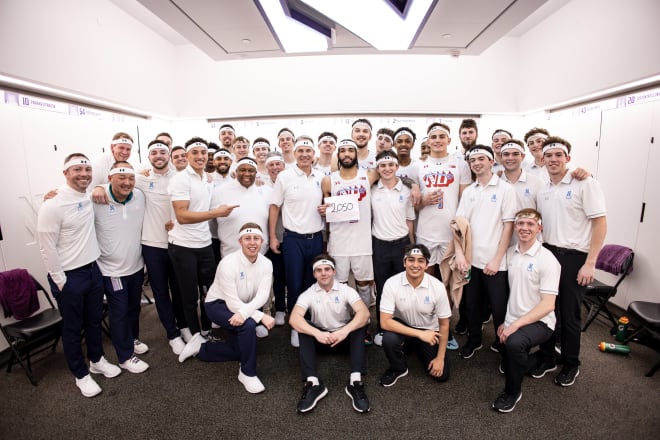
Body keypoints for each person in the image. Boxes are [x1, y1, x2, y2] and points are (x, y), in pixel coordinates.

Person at [37, 153, 121, 397]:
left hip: (93, 270)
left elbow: (117, 183)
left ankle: (96, 360)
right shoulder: (52, 204)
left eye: (87, 169)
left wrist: (100, 186)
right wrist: (60, 280)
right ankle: (80, 374)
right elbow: (46, 247)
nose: (83, 174)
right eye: (77, 170)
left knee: (94, 320)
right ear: (65, 173)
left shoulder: (88, 195)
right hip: (69, 277)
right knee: (73, 329)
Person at [534, 136, 607, 387]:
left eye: (559, 155)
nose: (553, 159)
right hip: (548, 254)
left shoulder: (585, 183)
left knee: (569, 314)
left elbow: (600, 223)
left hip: (575, 258)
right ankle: (547, 357)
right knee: (547, 310)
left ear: (568, 158)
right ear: (542, 160)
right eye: (549, 155)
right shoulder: (543, 189)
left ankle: (571, 363)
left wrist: (591, 262)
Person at [178, 224, 275, 394]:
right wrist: (260, 317)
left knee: (240, 350)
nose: (252, 243)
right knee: (248, 326)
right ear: (240, 241)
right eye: (247, 238)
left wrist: (246, 313)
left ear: (262, 241)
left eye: (256, 239)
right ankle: (247, 373)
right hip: (218, 305)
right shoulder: (228, 263)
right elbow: (231, 303)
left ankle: (201, 348)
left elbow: (262, 296)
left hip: (243, 305)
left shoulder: (267, 264)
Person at [169, 137, 238, 349]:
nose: (200, 157)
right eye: (195, 153)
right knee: (189, 296)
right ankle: (194, 335)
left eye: (203, 153)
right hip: (183, 246)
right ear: (187, 156)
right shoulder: (181, 179)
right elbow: (181, 216)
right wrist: (214, 213)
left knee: (210, 291)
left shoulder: (206, 179)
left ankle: (207, 331)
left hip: (204, 244)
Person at [492, 208, 559, 413]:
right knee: (506, 350)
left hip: (541, 321)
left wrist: (515, 326)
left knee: (513, 344)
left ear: (539, 229)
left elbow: (548, 305)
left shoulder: (547, 260)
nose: (524, 228)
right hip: (515, 317)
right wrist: (507, 321)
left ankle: (512, 392)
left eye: (530, 224)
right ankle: (542, 359)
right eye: (520, 223)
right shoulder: (510, 253)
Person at [454, 145, 517, 359]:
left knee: (499, 308)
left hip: (495, 263)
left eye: (482, 158)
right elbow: (458, 225)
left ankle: (503, 344)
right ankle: (474, 340)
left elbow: (508, 227)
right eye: (473, 160)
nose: (477, 163)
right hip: (472, 261)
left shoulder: (505, 190)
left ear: (492, 161)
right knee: (471, 306)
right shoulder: (469, 191)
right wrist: (460, 255)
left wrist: (497, 259)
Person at [290, 254, 371, 413]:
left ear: (334, 271)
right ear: (314, 274)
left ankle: (355, 382)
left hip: (343, 339)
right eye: (319, 270)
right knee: (302, 326)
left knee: (359, 324)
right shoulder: (308, 293)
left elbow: (364, 313)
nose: (323, 273)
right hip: (321, 339)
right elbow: (293, 319)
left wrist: (344, 331)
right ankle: (313, 383)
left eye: (327, 269)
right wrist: (317, 333)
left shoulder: (346, 290)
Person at [93, 162, 149, 373]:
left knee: (134, 308)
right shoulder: (96, 199)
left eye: (130, 178)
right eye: (121, 178)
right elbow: (73, 198)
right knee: (119, 312)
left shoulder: (139, 196)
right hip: (112, 271)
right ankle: (125, 357)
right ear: (110, 179)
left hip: (135, 266)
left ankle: (132, 339)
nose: (127, 183)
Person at [269, 135, 324, 347]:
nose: (304, 154)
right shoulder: (285, 176)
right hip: (293, 239)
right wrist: (273, 236)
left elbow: (327, 204)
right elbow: (274, 206)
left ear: (314, 155)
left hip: (316, 238)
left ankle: (309, 322)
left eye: (308, 151)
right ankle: (296, 327)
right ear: (295, 153)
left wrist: (325, 209)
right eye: (300, 151)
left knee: (313, 284)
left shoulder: (321, 177)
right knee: (293, 285)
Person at [136, 140, 187, 354]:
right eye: (154, 153)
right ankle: (172, 333)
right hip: (152, 244)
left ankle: (184, 326)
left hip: (177, 242)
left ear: (169, 156)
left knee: (180, 289)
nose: (158, 156)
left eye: (162, 152)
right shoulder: (140, 179)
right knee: (160, 291)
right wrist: (100, 187)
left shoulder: (180, 178)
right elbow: (111, 182)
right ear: (149, 158)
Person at [321, 139, 378, 321]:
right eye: (343, 151)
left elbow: (394, 172)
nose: (347, 154)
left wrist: (414, 186)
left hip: (362, 241)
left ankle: (363, 319)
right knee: (339, 283)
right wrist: (323, 209)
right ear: (338, 155)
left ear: (356, 154)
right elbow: (326, 208)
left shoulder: (369, 175)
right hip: (338, 242)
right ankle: (343, 319)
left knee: (363, 283)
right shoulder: (329, 180)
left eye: (350, 151)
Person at [379, 244, 452, 386]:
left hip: (429, 331)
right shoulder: (391, 283)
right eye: (411, 260)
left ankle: (416, 347)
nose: (415, 265)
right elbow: (385, 322)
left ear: (426, 265)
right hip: (405, 327)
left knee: (442, 375)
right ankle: (398, 368)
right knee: (388, 339)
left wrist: (440, 358)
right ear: (404, 262)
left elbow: (444, 324)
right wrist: (419, 334)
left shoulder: (437, 286)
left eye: (420, 261)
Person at [370, 150, 415, 346]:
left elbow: (410, 220)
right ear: (377, 169)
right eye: (382, 165)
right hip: (379, 244)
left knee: (404, 288)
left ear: (397, 167)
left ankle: (405, 326)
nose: (387, 169)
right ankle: (383, 327)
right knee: (382, 287)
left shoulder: (407, 191)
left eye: (391, 165)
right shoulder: (371, 189)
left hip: (402, 244)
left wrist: (412, 246)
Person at [415, 123, 471, 277]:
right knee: (426, 277)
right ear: (428, 141)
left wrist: (459, 230)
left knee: (451, 280)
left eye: (442, 136)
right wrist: (423, 201)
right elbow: (413, 207)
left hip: (450, 231)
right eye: (433, 137)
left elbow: (465, 201)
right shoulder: (419, 165)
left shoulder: (460, 164)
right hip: (426, 232)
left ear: (449, 140)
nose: (437, 140)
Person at [264, 152, 287, 326]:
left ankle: (285, 308)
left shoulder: (289, 181)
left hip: (288, 237)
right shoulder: (261, 187)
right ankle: (272, 309)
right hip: (268, 239)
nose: (275, 168)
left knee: (286, 276)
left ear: (284, 166)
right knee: (271, 276)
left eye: (278, 164)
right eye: (271, 165)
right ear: (266, 168)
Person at [500, 139, 544, 211]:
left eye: (515, 154)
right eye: (506, 154)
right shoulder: (495, 183)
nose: (510, 158)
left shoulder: (537, 182)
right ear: (501, 157)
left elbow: (543, 213)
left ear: (523, 156)